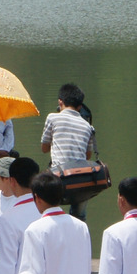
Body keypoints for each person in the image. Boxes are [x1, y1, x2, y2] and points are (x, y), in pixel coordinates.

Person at [40, 82, 96, 220]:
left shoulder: (53, 118)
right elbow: (87, 155)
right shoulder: (88, 126)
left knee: (50, 212)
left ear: (60, 102)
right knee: (79, 216)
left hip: (59, 178)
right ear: (80, 106)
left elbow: (44, 148)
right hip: (81, 179)